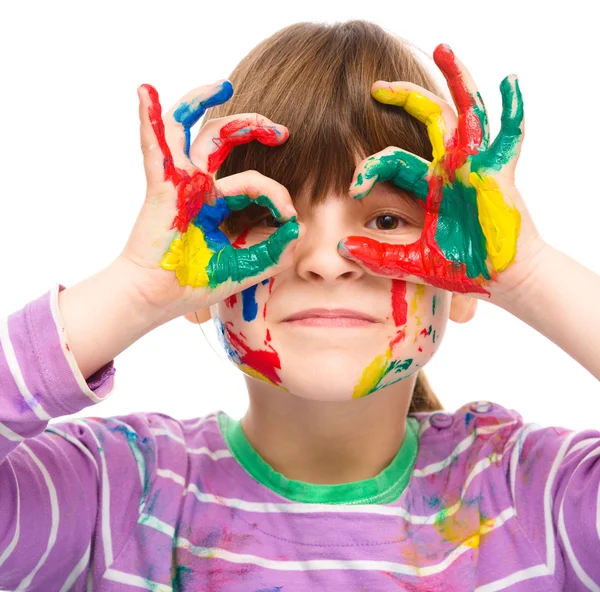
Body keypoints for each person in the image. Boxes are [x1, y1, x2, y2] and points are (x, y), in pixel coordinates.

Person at [0, 19, 598, 591]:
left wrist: (527, 274)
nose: (326, 260)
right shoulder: (113, 495)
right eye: (266, 216)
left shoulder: (534, 496)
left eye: (387, 219)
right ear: (201, 286)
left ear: (463, 286)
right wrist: (135, 289)